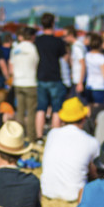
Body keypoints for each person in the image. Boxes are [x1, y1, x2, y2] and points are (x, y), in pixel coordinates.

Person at [41, 97, 100, 202]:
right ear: (83, 118)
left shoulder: (52, 134)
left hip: (47, 191)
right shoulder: (91, 141)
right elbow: (95, 173)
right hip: (75, 195)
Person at [35, 12, 68, 140]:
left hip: (41, 75)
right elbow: (64, 58)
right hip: (54, 75)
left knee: (41, 108)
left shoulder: (38, 40)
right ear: (53, 23)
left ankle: (39, 136)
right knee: (56, 108)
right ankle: (54, 137)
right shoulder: (58, 41)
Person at [10, 26, 39, 142]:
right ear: (32, 37)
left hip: (18, 82)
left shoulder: (16, 48)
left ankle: (19, 137)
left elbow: (11, 66)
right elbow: (36, 64)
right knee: (31, 112)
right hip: (30, 81)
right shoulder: (33, 48)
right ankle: (31, 138)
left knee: (20, 112)